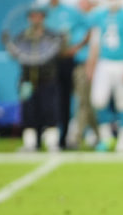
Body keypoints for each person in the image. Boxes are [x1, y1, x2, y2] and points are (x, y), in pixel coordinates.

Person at [4, 5, 64, 151]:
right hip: (27, 80)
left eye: (39, 16)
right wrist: (7, 44)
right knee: (28, 112)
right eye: (33, 16)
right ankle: (30, 143)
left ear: (43, 18)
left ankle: (52, 143)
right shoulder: (22, 36)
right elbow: (15, 54)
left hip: (47, 79)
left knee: (50, 111)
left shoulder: (52, 36)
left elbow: (59, 52)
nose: (36, 19)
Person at [86, 0, 123, 152]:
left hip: (122, 63)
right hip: (104, 63)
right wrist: (91, 65)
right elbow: (95, 43)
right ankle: (106, 137)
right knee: (98, 100)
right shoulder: (99, 15)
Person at [44, 0, 89, 149]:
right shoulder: (43, 11)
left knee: (67, 100)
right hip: (48, 61)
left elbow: (87, 28)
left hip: (67, 60)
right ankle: (48, 135)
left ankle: (65, 137)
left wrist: (76, 47)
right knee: (49, 99)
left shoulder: (71, 12)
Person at [67, 0, 98, 149]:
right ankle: (99, 135)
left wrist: (90, 66)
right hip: (77, 65)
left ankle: (77, 136)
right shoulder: (76, 20)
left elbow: (94, 44)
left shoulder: (95, 19)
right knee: (86, 101)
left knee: (84, 102)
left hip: (89, 65)